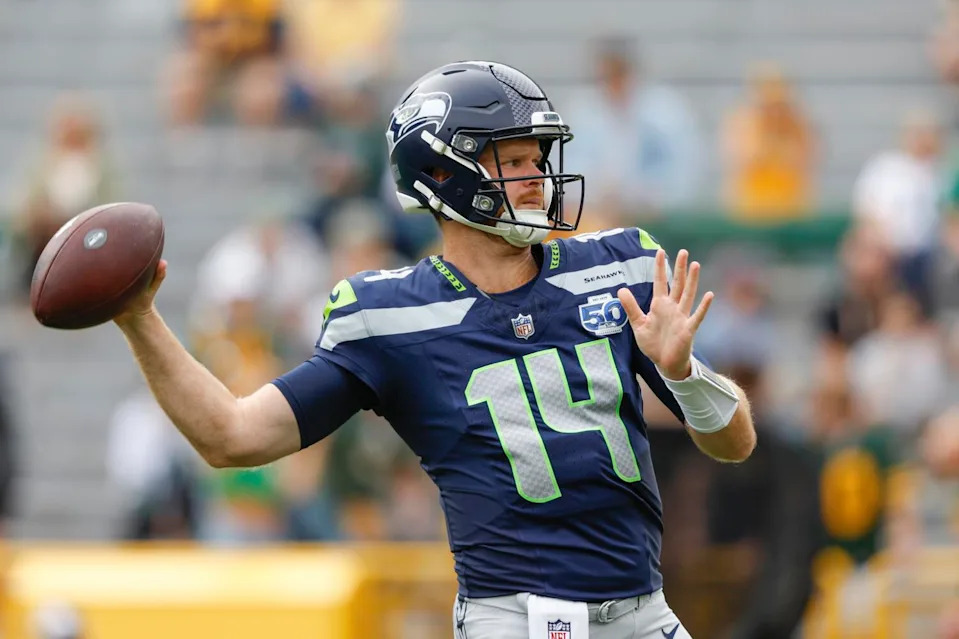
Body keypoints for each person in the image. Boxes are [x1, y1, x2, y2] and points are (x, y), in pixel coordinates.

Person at [110, 61, 756, 639]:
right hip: (516, 618)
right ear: (441, 174)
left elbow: (735, 443)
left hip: (643, 613)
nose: (538, 178)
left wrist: (684, 373)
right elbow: (234, 436)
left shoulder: (615, 267)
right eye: (514, 160)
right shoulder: (389, 316)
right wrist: (139, 318)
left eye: (541, 158)